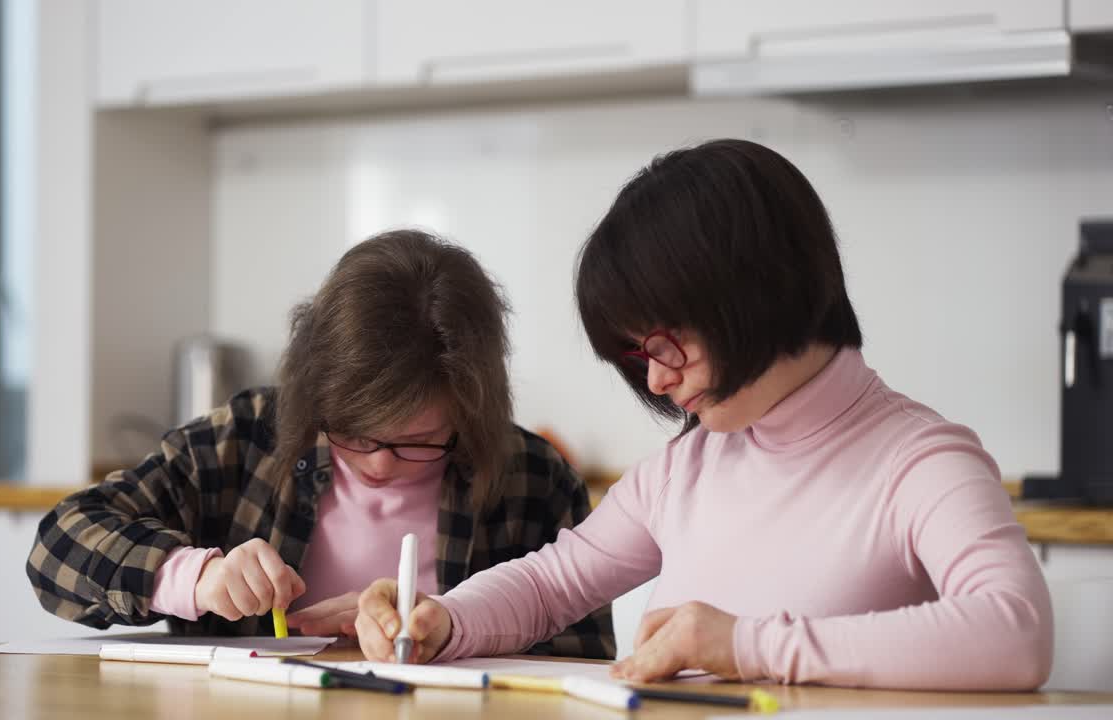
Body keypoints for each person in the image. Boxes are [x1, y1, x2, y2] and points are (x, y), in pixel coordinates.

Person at [354, 140, 1053, 690]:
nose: (657, 380)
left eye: (664, 345)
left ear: (754, 294)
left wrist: (745, 645)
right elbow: (549, 584)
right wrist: (446, 620)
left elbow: (1016, 632)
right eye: (639, 357)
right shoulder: (687, 468)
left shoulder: (922, 461)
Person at [26, 229, 614, 659]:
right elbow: (58, 547)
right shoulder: (246, 439)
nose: (378, 463)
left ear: (471, 409)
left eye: (418, 441)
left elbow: (580, 666)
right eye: (353, 432)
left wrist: (446, 634)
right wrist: (194, 577)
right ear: (317, 393)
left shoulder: (533, 481)